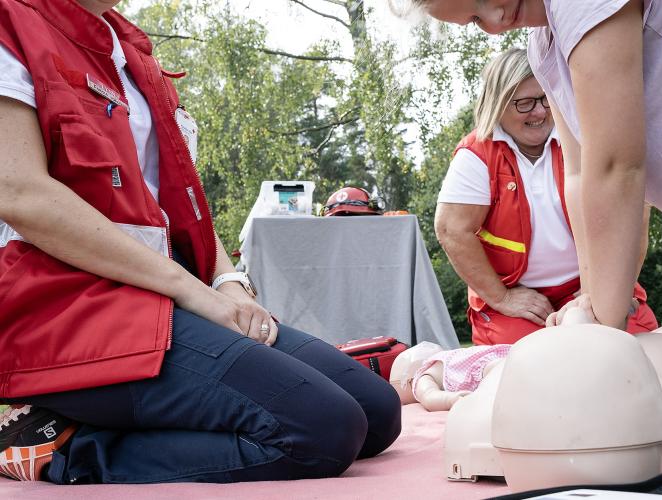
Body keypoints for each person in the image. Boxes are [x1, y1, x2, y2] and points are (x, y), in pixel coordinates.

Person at [0, 0, 400, 483]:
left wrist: (227, 281)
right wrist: (190, 290)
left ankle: (102, 420)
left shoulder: (131, 54)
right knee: (321, 429)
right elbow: (18, 193)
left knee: (376, 412)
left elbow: (176, 204)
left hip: (161, 296)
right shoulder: (13, 26)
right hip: (65, 308)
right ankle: (60, 449)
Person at [407, 0, 662, 454]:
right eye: (474, 20)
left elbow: (617, 168)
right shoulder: (544, 46)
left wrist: (600, 342)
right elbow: (581, 175)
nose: (494, 22)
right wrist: (590, 302)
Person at [434, 48, 656, 345]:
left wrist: (605, 287)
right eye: (525, 104)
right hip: (520, 299)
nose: (539, 112)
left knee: (636, 351)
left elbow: (634, 210)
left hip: (593, 284)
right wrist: (503, 298)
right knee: (528, 368)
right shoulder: (477, 154)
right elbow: (451, 229)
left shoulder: (583, 135)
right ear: (497, 104)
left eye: (545, 100)